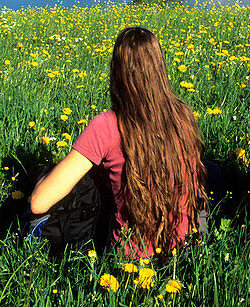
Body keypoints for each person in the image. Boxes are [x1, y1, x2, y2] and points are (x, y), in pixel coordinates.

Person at [29, 26, 207, 258]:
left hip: (132, 258)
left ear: (117, 72)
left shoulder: (107, 125)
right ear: (160, 69)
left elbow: (38, 203)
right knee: (212, 171)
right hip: (187, 247)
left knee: (66, 194)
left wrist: (42, 175)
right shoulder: (183, 114)